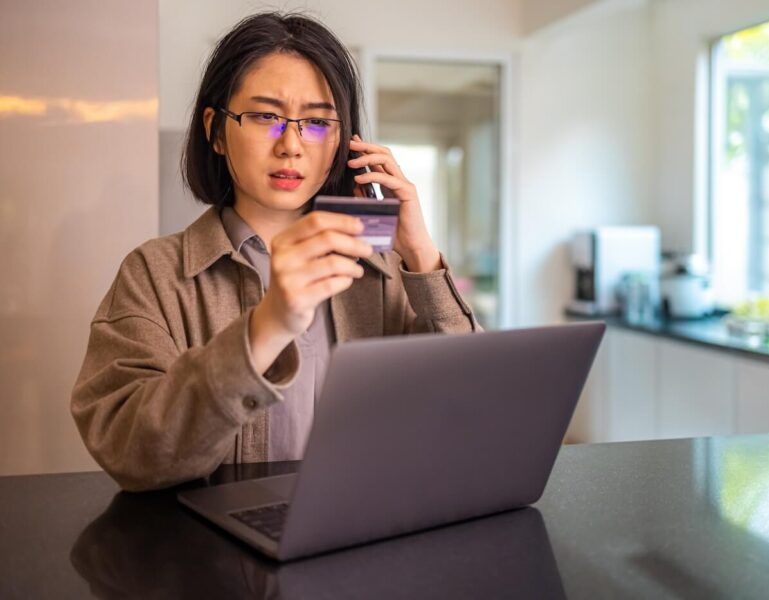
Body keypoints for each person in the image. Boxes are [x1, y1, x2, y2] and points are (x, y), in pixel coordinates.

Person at [70, 12, 481, 492]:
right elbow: (131, 451)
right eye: (265, 116)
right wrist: (267, 327)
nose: (291, 145)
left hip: (360, 541)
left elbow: (467, 412)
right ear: (216, 131)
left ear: (343, 140)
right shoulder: (154, 274)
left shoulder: (385, 271)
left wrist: (421, 254)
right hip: (210, 557)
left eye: (317, 121)